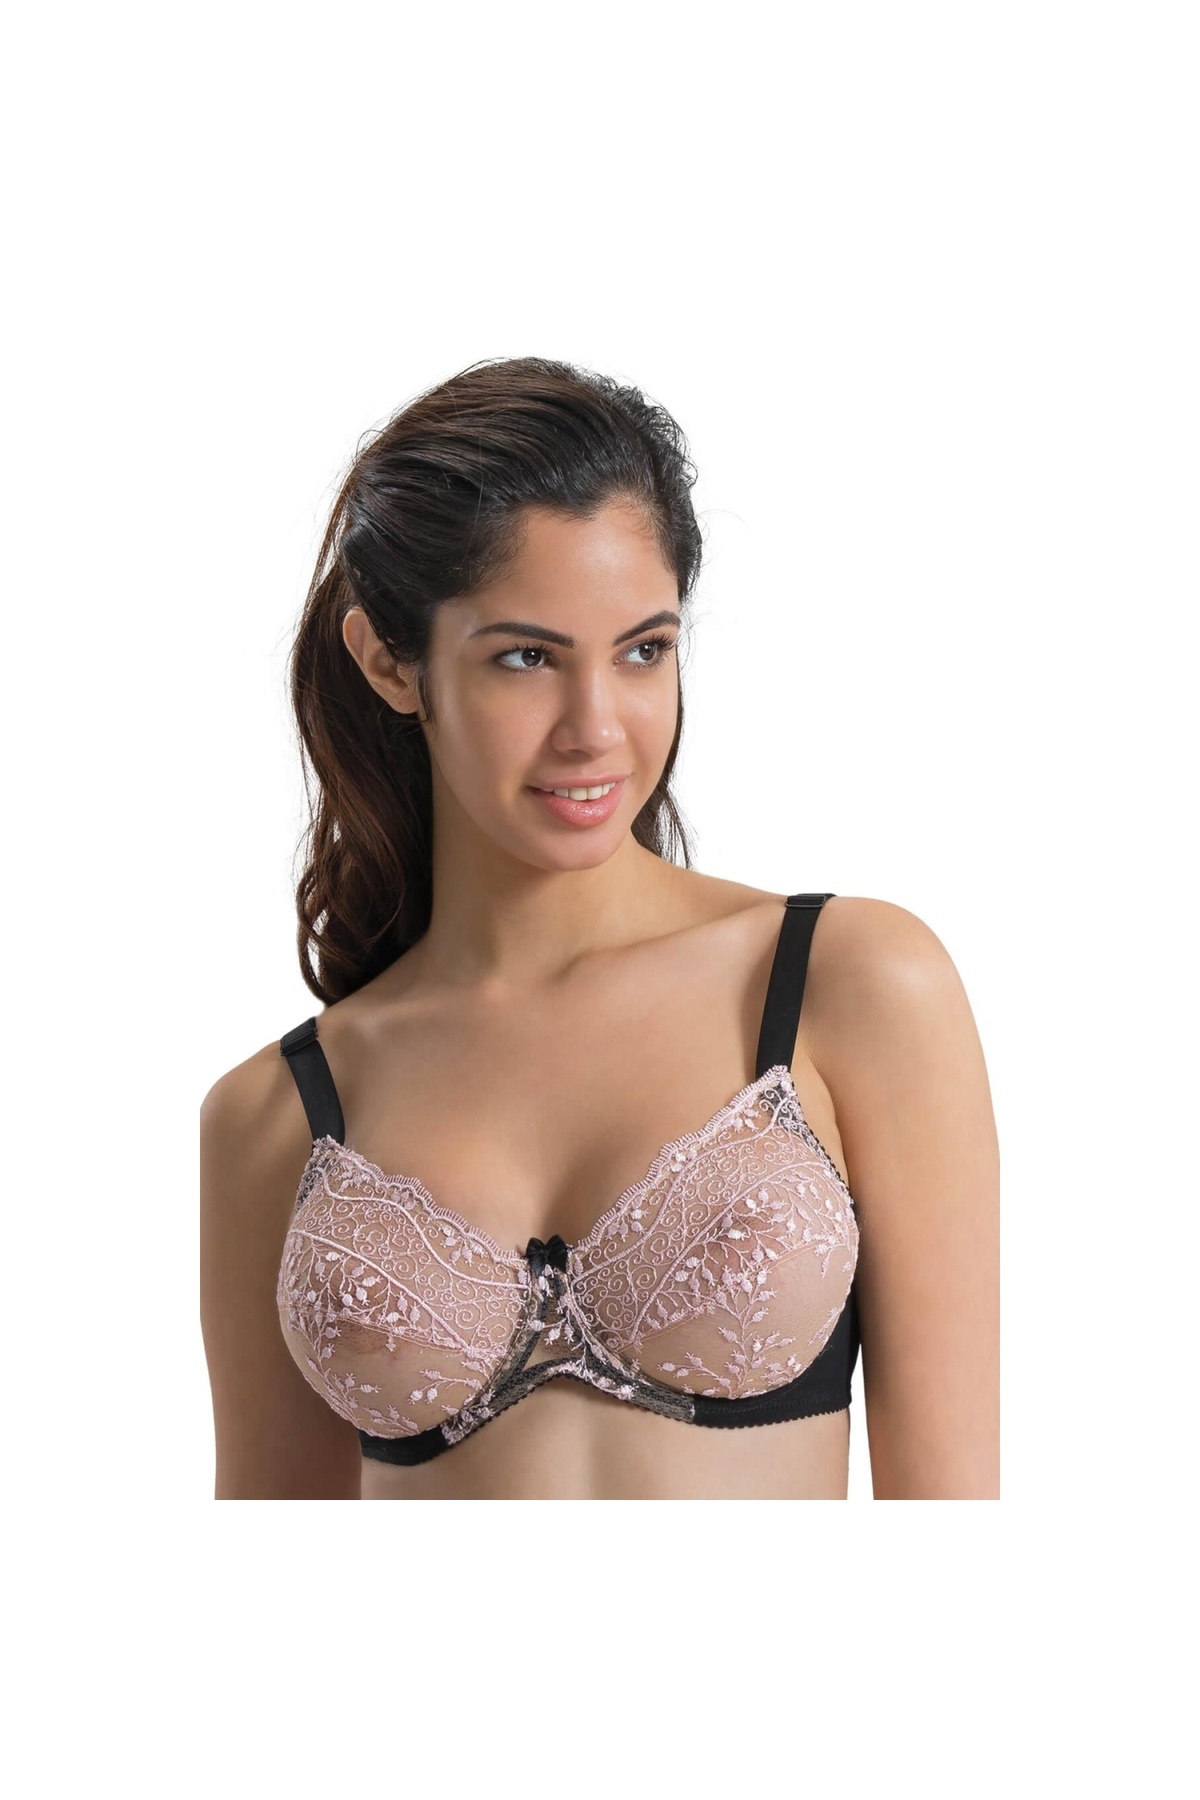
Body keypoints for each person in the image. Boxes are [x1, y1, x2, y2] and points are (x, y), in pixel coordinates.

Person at [200, 355, 999, 1501]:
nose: (596, 729)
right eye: (526, 657)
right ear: (390, 663)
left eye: (643, 650)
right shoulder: (275, 1118)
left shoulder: (848, 985)